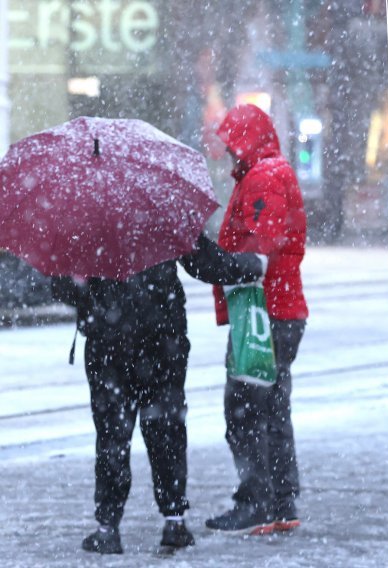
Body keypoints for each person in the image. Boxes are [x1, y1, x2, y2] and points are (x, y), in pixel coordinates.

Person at [51, 234, 266, 555]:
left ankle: (108, 528)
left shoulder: (87, 224)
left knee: (112, 436)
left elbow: (61, 289)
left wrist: (81, 288)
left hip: (108, 347)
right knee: (167, 429)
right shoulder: (164, 214)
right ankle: (174, 520)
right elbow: (207, 264)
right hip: (163, 341)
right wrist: (255, 264)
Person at [205, 103, 308, 534]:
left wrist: (209, 256)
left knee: (245, 411)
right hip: (277, 309)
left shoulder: (264, 177)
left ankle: (257, 501)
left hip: (261, 313)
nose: (228, 150)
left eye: (232, 141)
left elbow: (259, 249)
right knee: (272, 408)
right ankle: (282, 501)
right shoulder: (266, 173)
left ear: (246, 140)